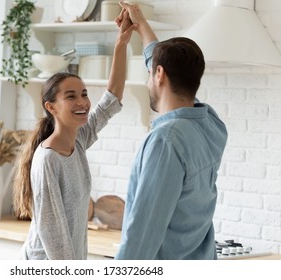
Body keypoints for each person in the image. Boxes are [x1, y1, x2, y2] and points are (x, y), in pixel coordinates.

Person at [12, 11, 136, 260]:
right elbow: (52, 232)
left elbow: (111, 99)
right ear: (51, 107)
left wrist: (121, 42)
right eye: (71, 96)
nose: (82, 102)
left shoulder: (78, 141)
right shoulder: (48, 159)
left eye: (84, 93)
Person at [115, 2, 228, 260]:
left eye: (150, 73)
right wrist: (141, 24)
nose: (148, 80)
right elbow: (158, 61)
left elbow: (142, 235)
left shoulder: (166, 141)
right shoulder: (211, 125)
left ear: (160, 74)